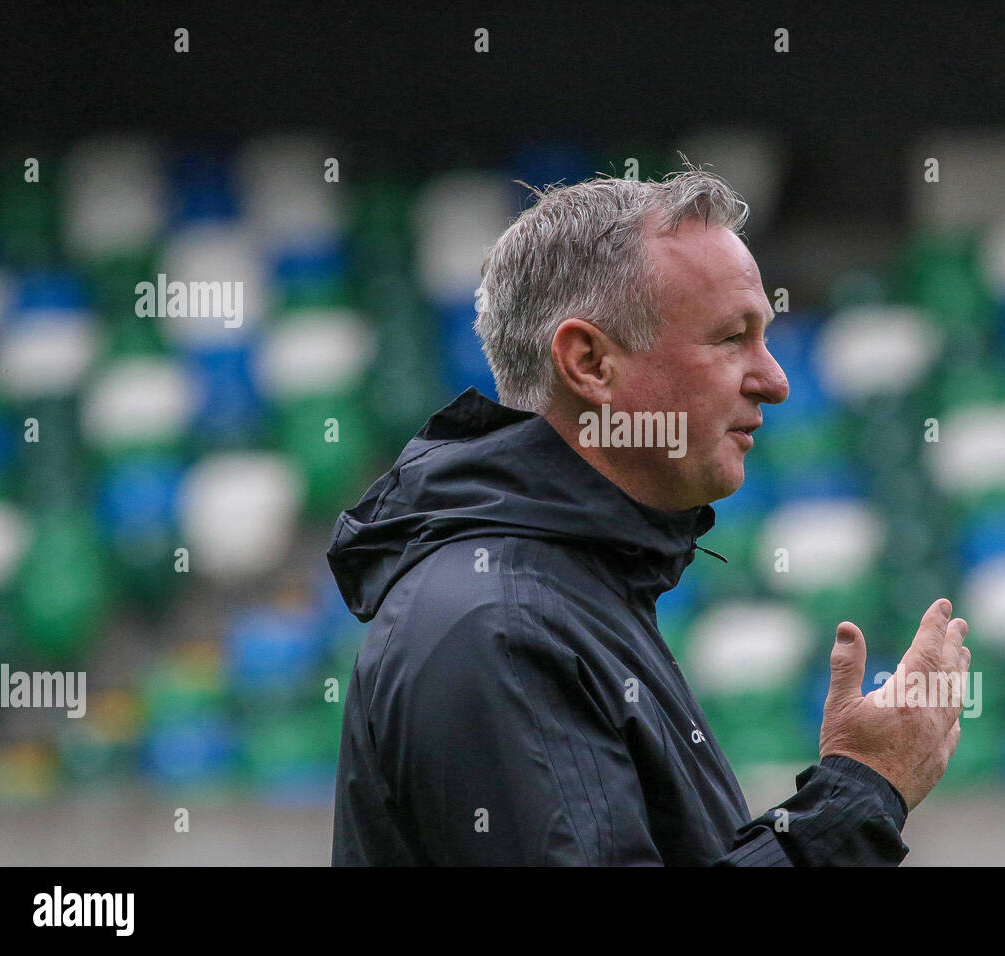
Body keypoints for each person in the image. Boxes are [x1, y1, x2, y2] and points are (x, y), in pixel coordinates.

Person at [327, 169, 970, 865]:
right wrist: (858, 797)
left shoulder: (558, 596)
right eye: (731, 338)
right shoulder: (504, 626)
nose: (776, 380)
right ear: (590, 363)